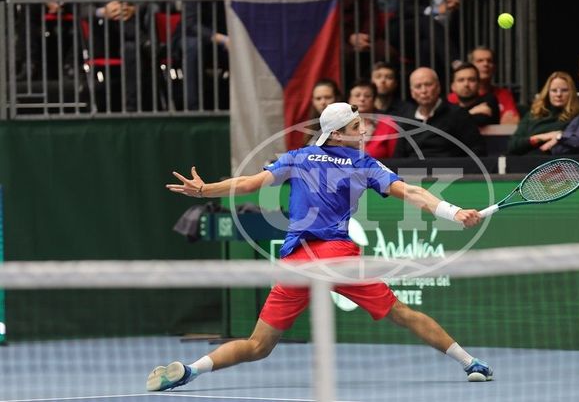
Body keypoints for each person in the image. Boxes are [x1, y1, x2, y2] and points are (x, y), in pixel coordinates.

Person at [149, 102, 493, 391]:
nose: (364, 130)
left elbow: (250, 183)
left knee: (257, 345)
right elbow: (413, 193)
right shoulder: (364, 164)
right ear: (339, 133)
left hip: (296, 261)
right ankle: (469, 362)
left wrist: (205, 190)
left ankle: (190, 370)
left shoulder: (298, 157)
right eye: (357, 125)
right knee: (402, 313)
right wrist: (454, 212)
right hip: (336, 256)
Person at [393, 67, 486, 158]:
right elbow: (399, 158)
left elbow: (477, 151)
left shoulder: (458, 115)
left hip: (448, 170)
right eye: (418, 86)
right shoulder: (406, 121)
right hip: (413, 172)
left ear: (438, 87)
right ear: (412, 92)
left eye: (428, 84)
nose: (424, 90)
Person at [507, 71, 579, 155]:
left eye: (564, 90)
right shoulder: (533, 114)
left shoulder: (578, 117)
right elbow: (512, 146)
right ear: (547, 92)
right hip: (525, 162)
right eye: (554, 90)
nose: (558, 94)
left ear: (571, 93)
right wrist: (543, 137)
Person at [448, 46, 520, 124]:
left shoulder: (500, 96)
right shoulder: (453, 97)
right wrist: (472, 112)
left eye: (489, 61)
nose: (485, 64)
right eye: (480, 61)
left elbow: (512, 122)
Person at [347, 79, 398, 158]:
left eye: (367, 96)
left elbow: (395, 158)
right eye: (357, 95)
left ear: (374, 100)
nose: (362, 99)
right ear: (349, 99)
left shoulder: (388, 124)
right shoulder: (341, 124)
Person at [449, 62, 500, 127]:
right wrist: (471, 112)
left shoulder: (488, 101)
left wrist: (453, 119)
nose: (466, 84)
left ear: (479, 85)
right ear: (453, 87)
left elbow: (479, 121)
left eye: (471, 80)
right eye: (461, 80)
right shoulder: (449, 108)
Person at [298, 79, 343, 147]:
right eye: (318, 98)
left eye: (328, 97)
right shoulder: (311, 127)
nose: (322, 102)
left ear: (337, 98)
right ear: (313, 101)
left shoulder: (348, 124)